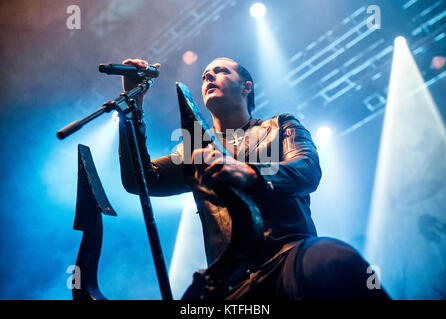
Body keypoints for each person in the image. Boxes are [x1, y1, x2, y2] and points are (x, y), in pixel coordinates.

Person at [118, 57, 390, 300]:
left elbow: (307, 170)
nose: (208, 77)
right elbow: (140, 180)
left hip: (288, 257)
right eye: (204, 76)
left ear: (246, 86)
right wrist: (132, 103)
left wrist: (251, 173)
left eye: (220, 71)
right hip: (231, 284)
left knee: (336, 260)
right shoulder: (192, 150)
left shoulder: (281, 125)